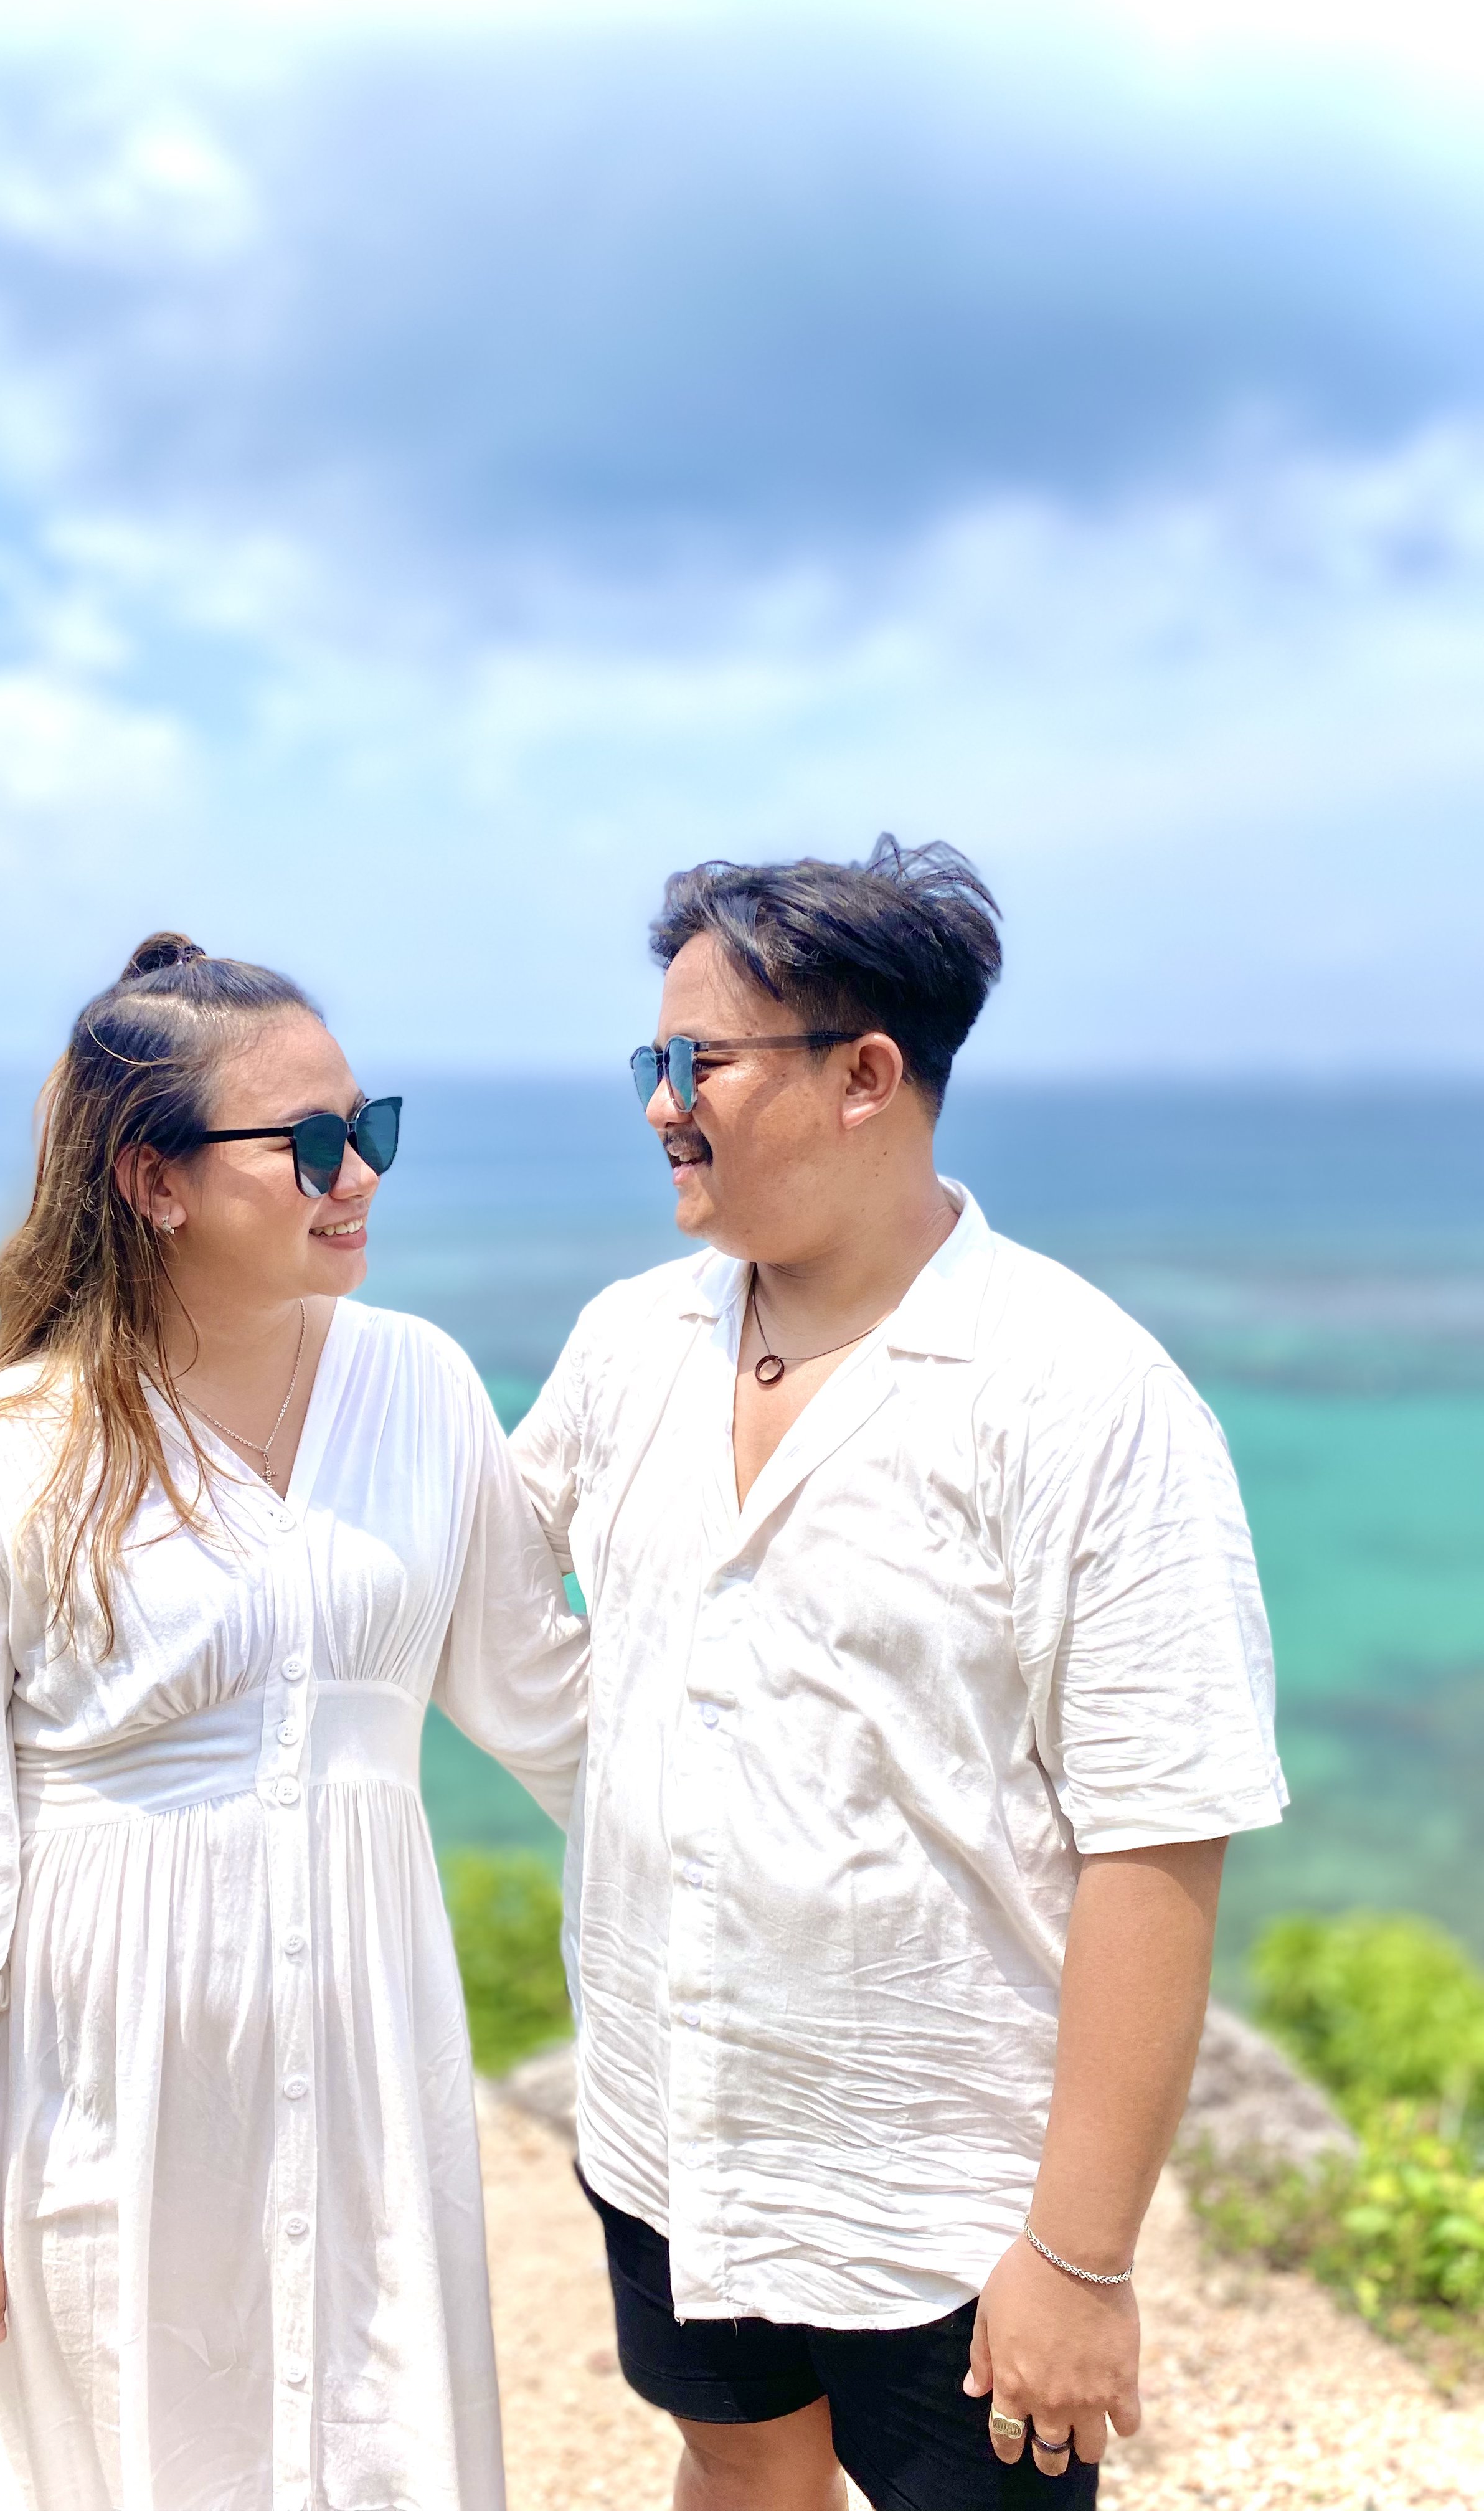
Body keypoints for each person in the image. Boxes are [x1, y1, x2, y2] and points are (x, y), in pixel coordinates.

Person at [511, 843, 1287, 2511]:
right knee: (736, 2462)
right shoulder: (631, 1343)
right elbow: (485, 1590)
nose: (660, 1105)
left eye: (699, 1062)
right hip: (671, 2117)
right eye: (652, 1059)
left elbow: (1159, 1831)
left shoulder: (1085, 1397)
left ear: (868, 1074)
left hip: (944, 2186)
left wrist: (1079, 2259)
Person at [0, 934, 586, 2511]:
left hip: (366, 2074)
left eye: (369, 1128)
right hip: (95, 2095)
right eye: (309, 1143)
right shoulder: (0, 1449)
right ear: (153, 1181)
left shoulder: (424, 1387)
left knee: (375, 2451)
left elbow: (550, 1701)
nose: (357, 1175)